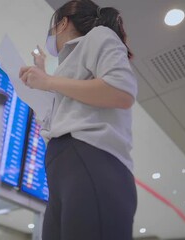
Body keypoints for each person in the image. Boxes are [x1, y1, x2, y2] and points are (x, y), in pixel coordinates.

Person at [19, 0, 138, 239]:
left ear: (63, 23)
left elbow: (121, 92)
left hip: (92, 157)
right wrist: (43, 78)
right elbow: (63, 111)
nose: (50, 35)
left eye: (52, 28)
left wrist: (48, 81)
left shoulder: (98, 36)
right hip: (62, 168)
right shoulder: (67, 65)